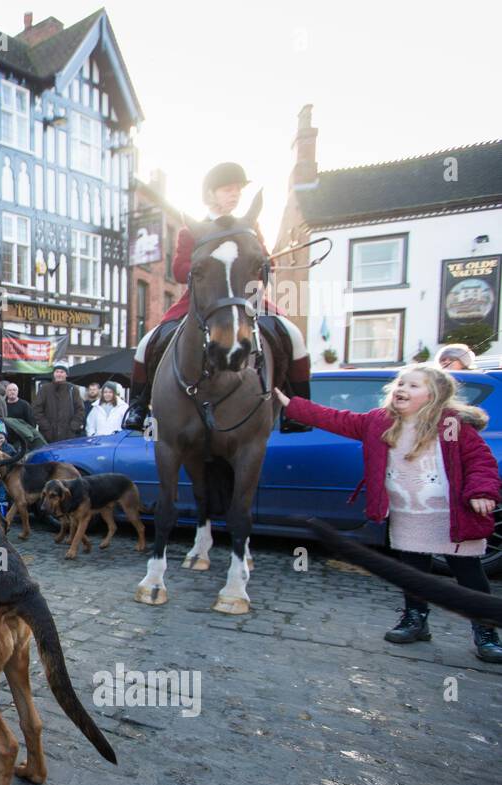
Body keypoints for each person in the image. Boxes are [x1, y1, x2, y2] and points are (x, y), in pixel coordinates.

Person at [277, 363, 502, 663]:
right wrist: (290, 404)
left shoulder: (451, 425)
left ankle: (486, 631)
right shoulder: (378, 422)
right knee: (412, 573)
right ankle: (415, 619)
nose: (402, 389)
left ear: (434, 395)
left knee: (469, 574)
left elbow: (480, 461)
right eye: (400, 384)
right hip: (408, 516)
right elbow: (334, 418)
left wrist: (482, 492)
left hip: (451, 517)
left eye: (413, 386)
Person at [123, 162, 312, 433]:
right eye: (228, 189)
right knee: (146, 343)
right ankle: (139, 405)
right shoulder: (193, 230)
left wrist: (266, 264)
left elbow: (265, 262)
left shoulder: (250, 227)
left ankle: (298, 409)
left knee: (293, 334)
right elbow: (178, 270)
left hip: (246, 298)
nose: (235, 195)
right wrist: (210, 269)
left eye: (237, 190)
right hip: (202, 301)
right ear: (211, 193)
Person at [33, 362, 86, 443]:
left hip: (68, 435)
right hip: (48, 435)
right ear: (53, 374)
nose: (59, 374)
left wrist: (73, 426)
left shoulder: (72, 389)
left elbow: (80, 410)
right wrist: (46, 426)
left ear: (66, 374)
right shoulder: (45, 389)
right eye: (57, 372)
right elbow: (37, 409)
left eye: (62, 372)